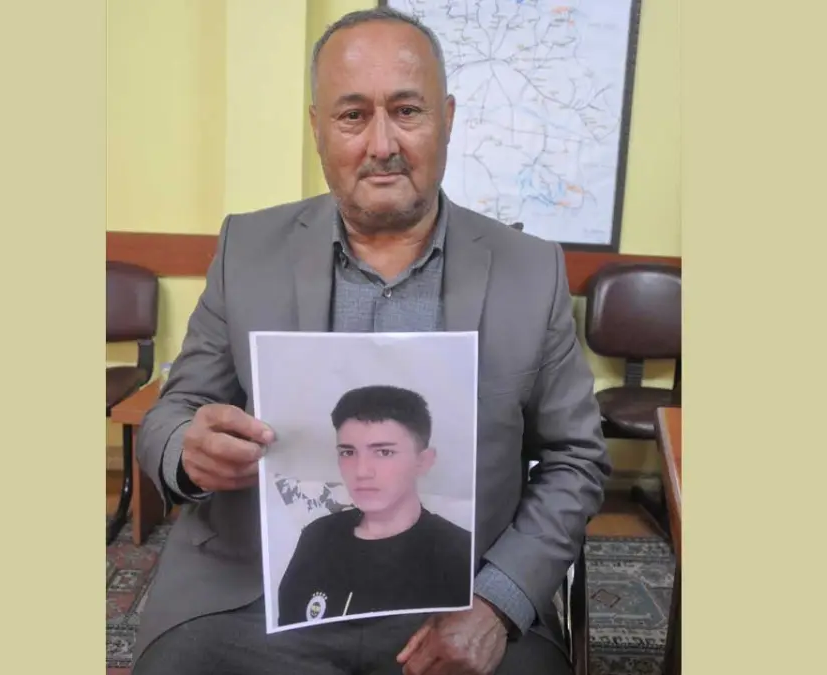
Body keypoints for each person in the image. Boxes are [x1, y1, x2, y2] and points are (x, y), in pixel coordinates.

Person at [134, 7, 610, 675]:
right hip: (259, 594)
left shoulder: (529, 271)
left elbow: (576, 459)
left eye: (407, 111)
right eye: (353, 115)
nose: (382, 144)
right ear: (317, 128)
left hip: (461, 593)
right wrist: (189, 449)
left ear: (447, 118)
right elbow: (171, 413)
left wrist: (498, 602)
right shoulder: (248, 249)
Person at [276, 385, 472, 627]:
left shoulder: (458, 553)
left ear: (423, 461)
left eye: (384, 452)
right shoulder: (317, 536)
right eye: (348, 453)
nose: (361, 471)